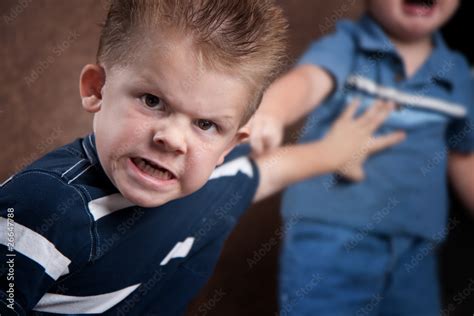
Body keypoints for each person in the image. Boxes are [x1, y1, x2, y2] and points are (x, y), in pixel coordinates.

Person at [0, 0, 402, 315]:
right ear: (97, 89)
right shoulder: (40, 210)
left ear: (230, 143)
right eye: (152, 100)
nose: (173, 139)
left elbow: (262, 172)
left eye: (206, 124)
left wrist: (335, 152)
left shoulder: (211, 184)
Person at [249, 0, 474, 314]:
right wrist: (272, 111)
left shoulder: (457, 72)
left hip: (415, 243)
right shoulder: (348, 45)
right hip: (330, 232)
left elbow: (463, 154)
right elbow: (309, 81)